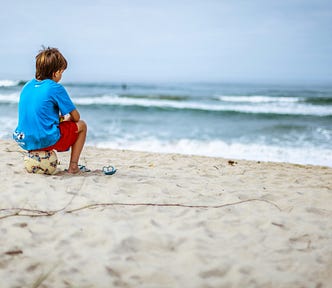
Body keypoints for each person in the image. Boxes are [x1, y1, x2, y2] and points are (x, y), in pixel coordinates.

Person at [13, 47, 87, 174]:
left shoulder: (27, 86)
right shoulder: (55, 88)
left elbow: (39, 114)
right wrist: (68, 119)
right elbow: (76, 117)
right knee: (82, 125)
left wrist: (60, 119)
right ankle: (73, 167)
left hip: (24, 139)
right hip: (45, 139)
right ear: (56, 73)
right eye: (62, 72)